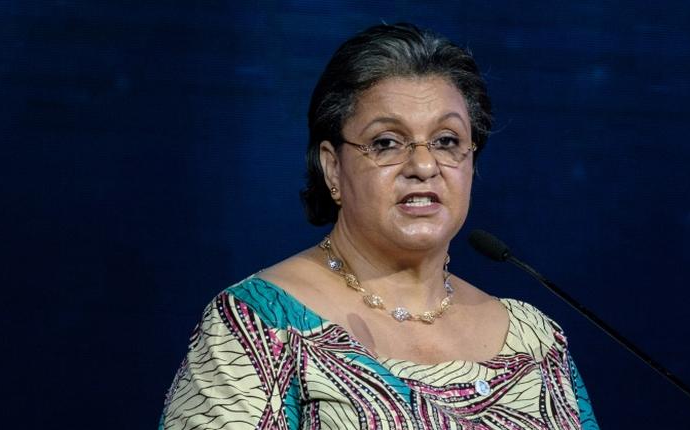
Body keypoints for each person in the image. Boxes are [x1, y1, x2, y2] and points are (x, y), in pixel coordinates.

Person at [160, 23, 599, 430]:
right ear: (332, 169)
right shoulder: (259, 327)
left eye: (447, 141)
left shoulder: (536, 341)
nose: (424, 165)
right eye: (386, 143)